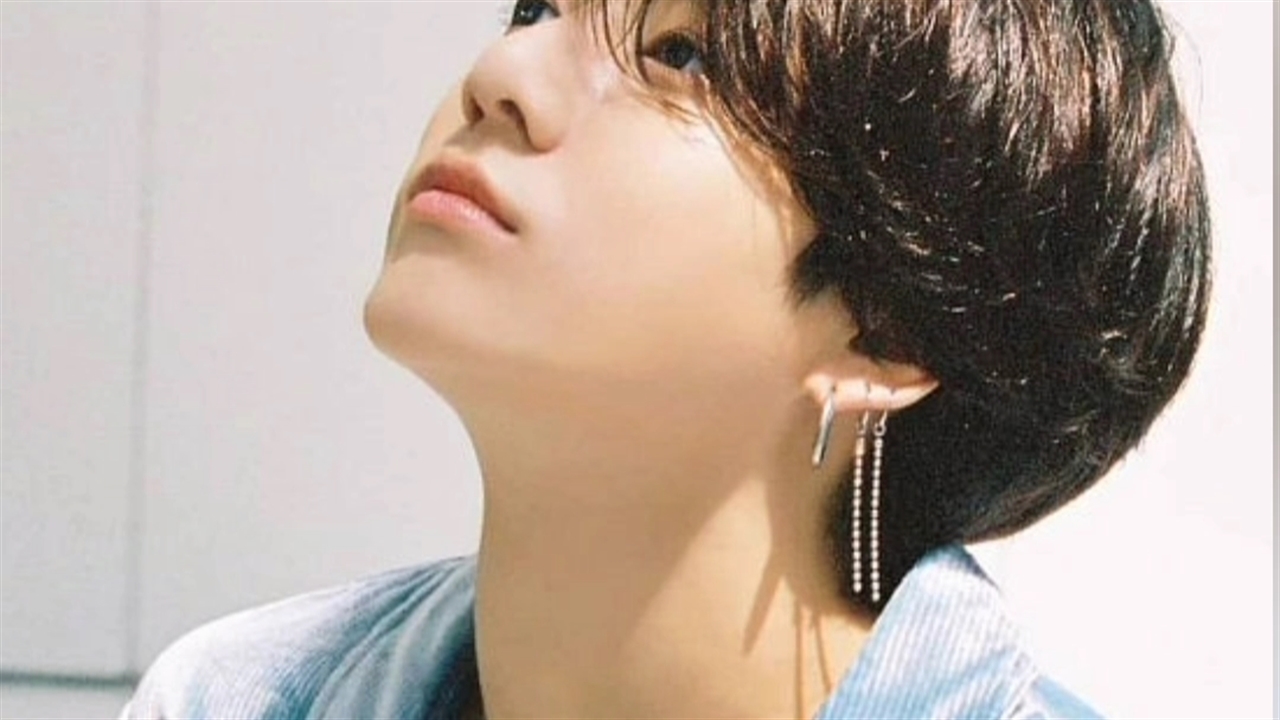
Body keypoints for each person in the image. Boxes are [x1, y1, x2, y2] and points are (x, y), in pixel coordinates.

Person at [122, 0, 1210, 717]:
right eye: (537, 9)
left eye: (680, 56)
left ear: (885, 329)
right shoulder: (235, 698)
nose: (502, 73)